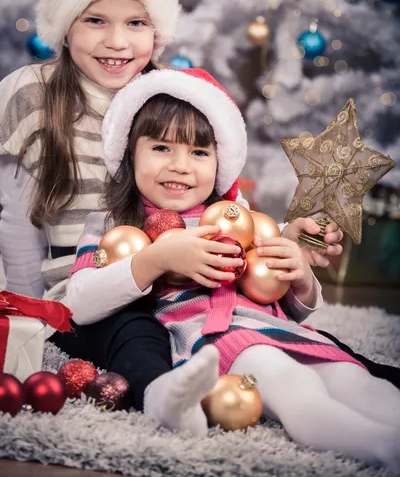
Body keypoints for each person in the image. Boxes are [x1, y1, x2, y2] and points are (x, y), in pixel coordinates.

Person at [66, 68, 400, 471]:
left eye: (199, 152)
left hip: (282, 330)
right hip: (214, 339)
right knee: (292, 385)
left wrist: (300, 273)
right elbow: (80, 303)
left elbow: (295, 305)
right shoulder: (112, 225)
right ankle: (382, 449)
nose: (180, 166)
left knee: (355, 379)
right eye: (161, 148)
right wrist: (156, 259)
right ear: (129, 152)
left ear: (220, 162)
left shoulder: (239, 218)